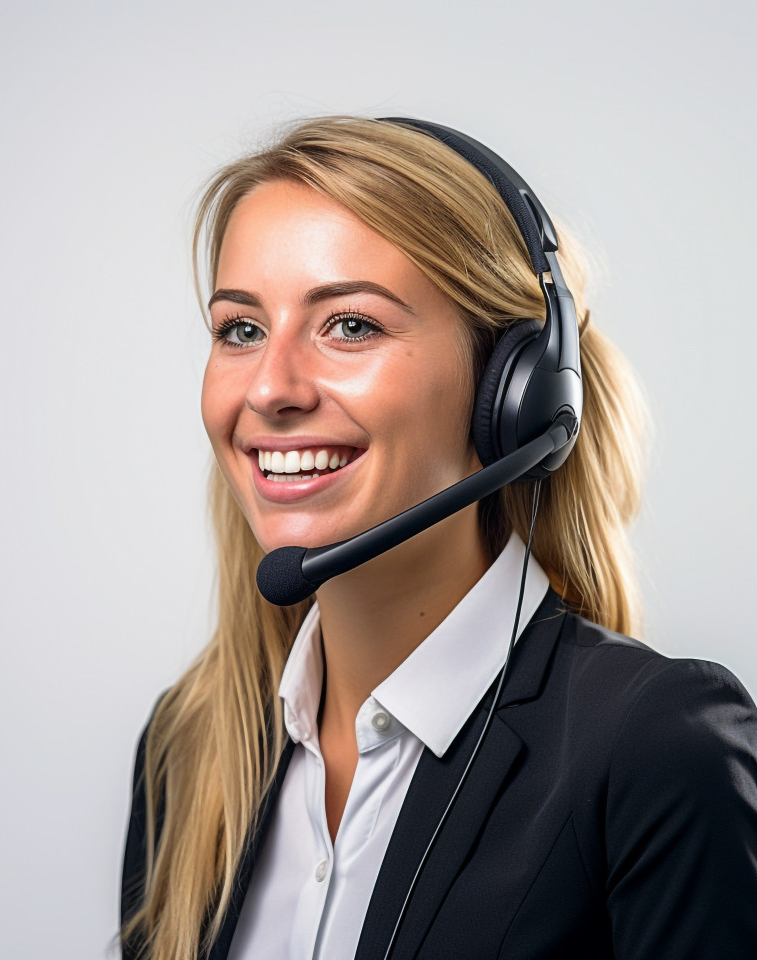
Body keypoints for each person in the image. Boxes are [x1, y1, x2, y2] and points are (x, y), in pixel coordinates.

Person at [119, 116, 757, 960]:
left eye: (350, 325)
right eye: (241, 329)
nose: (269, 389)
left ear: (512, 389)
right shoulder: (189, 748)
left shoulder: (655, 750)